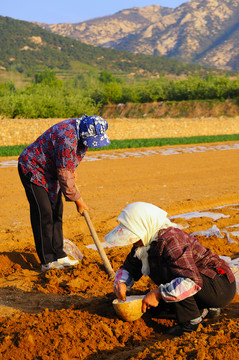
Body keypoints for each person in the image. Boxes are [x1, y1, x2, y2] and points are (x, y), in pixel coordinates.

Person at [105, 202, 236, 337]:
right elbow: (129, 267)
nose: (133, 241)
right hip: (198, 286)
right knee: (151, 309)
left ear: (144, 227)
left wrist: (158, 293)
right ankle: (205, 310)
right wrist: (121, 283)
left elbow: (190, 280)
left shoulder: (171, 240)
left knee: (171, 274)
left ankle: (192, 322)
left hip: (218, 286)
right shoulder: (144, 243)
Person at [18, 114, 110, 272]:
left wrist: (71, 168)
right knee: (44, 214)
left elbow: (71, 160)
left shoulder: (81, 133)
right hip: (33, 169)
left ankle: (59, 254)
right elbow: (64, 175)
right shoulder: (66, 137)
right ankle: (47, 260)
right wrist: (78, 201)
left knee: (56, 212)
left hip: (51, 171)